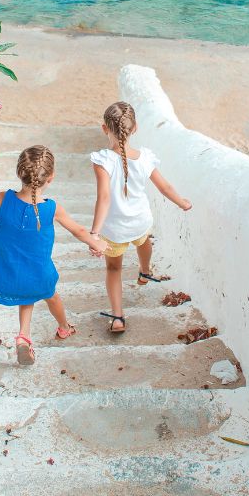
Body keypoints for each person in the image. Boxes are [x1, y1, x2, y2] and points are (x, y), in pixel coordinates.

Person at [0, 145, 108, 364]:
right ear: (51, 178)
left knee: (27, 291)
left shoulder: (0, 200)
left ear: (19, 173)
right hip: (39, 275)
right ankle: (64, 327)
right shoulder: (52, 208)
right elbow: (79, 231)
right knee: (50, 295)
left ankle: (24, 337)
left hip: (7, 272)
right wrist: (97, 244)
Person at [89, 101, 192, 333]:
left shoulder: (102, 160)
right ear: (135, 128)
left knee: (114, 270)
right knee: (144, 241)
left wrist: (94, 233)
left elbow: (103, 198)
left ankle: (118, 317)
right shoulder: (145, 157)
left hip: (114, 229)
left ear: (105, 129)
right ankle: (145, 271)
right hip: (140, 221)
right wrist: (182, 202)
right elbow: (164, 186)